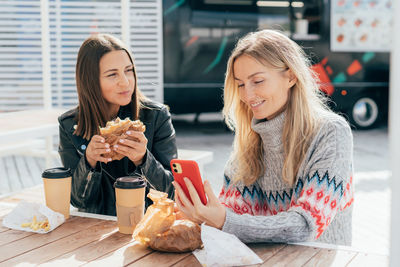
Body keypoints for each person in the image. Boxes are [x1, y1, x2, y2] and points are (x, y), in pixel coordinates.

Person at [173, 29, 354, 245]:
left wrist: (223, 220)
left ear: (291, 76)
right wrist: (204, 215)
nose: (247, 95)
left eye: (257, 81)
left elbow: (306, 226)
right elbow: (235, 212)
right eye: (240, 84)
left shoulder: (331, 133)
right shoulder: (251, 138)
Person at [58, 34, 177, 216]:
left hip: (146, 227)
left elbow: (172, 192)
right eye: (112, 74)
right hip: (93, 230)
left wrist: (143, 160)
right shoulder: (70, 125)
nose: (125, 81)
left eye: (128, 70)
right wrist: (88, 161)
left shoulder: (156, 116)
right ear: (90, 81)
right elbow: (77, 200)